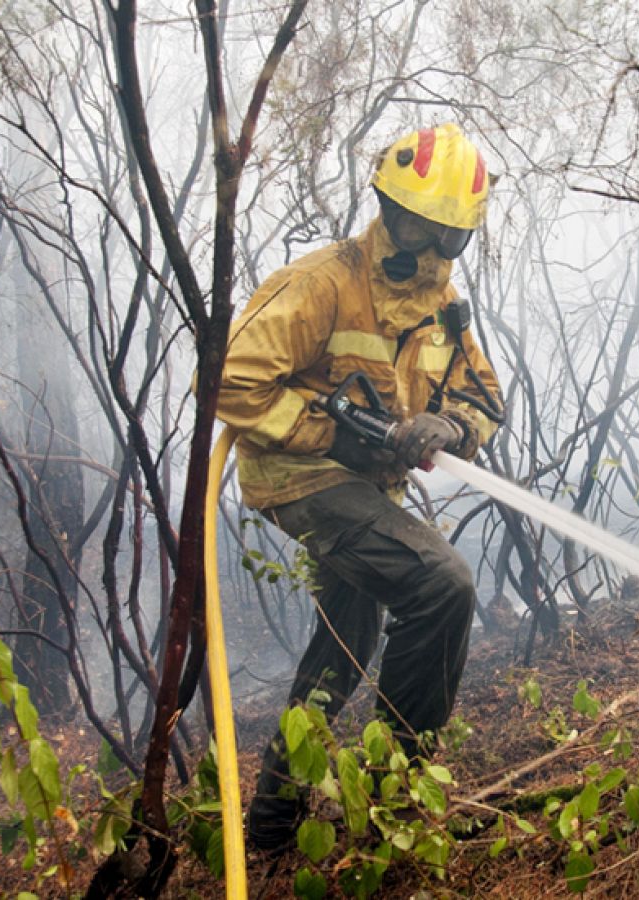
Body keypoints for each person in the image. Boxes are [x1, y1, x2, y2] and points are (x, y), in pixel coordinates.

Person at [214, 122, 504, 850]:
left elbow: (484, 399)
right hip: (301, 477)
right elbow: (227, 380)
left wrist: (448, 426)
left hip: (370, 490)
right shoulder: (323, 284)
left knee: (347, 641)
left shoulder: (445, 309)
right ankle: (394, 805)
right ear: (387, 209)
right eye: (417, 226)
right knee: (441, 585)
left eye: (448, 235)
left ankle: (272, 822)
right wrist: (331, 434)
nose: (430, 249)